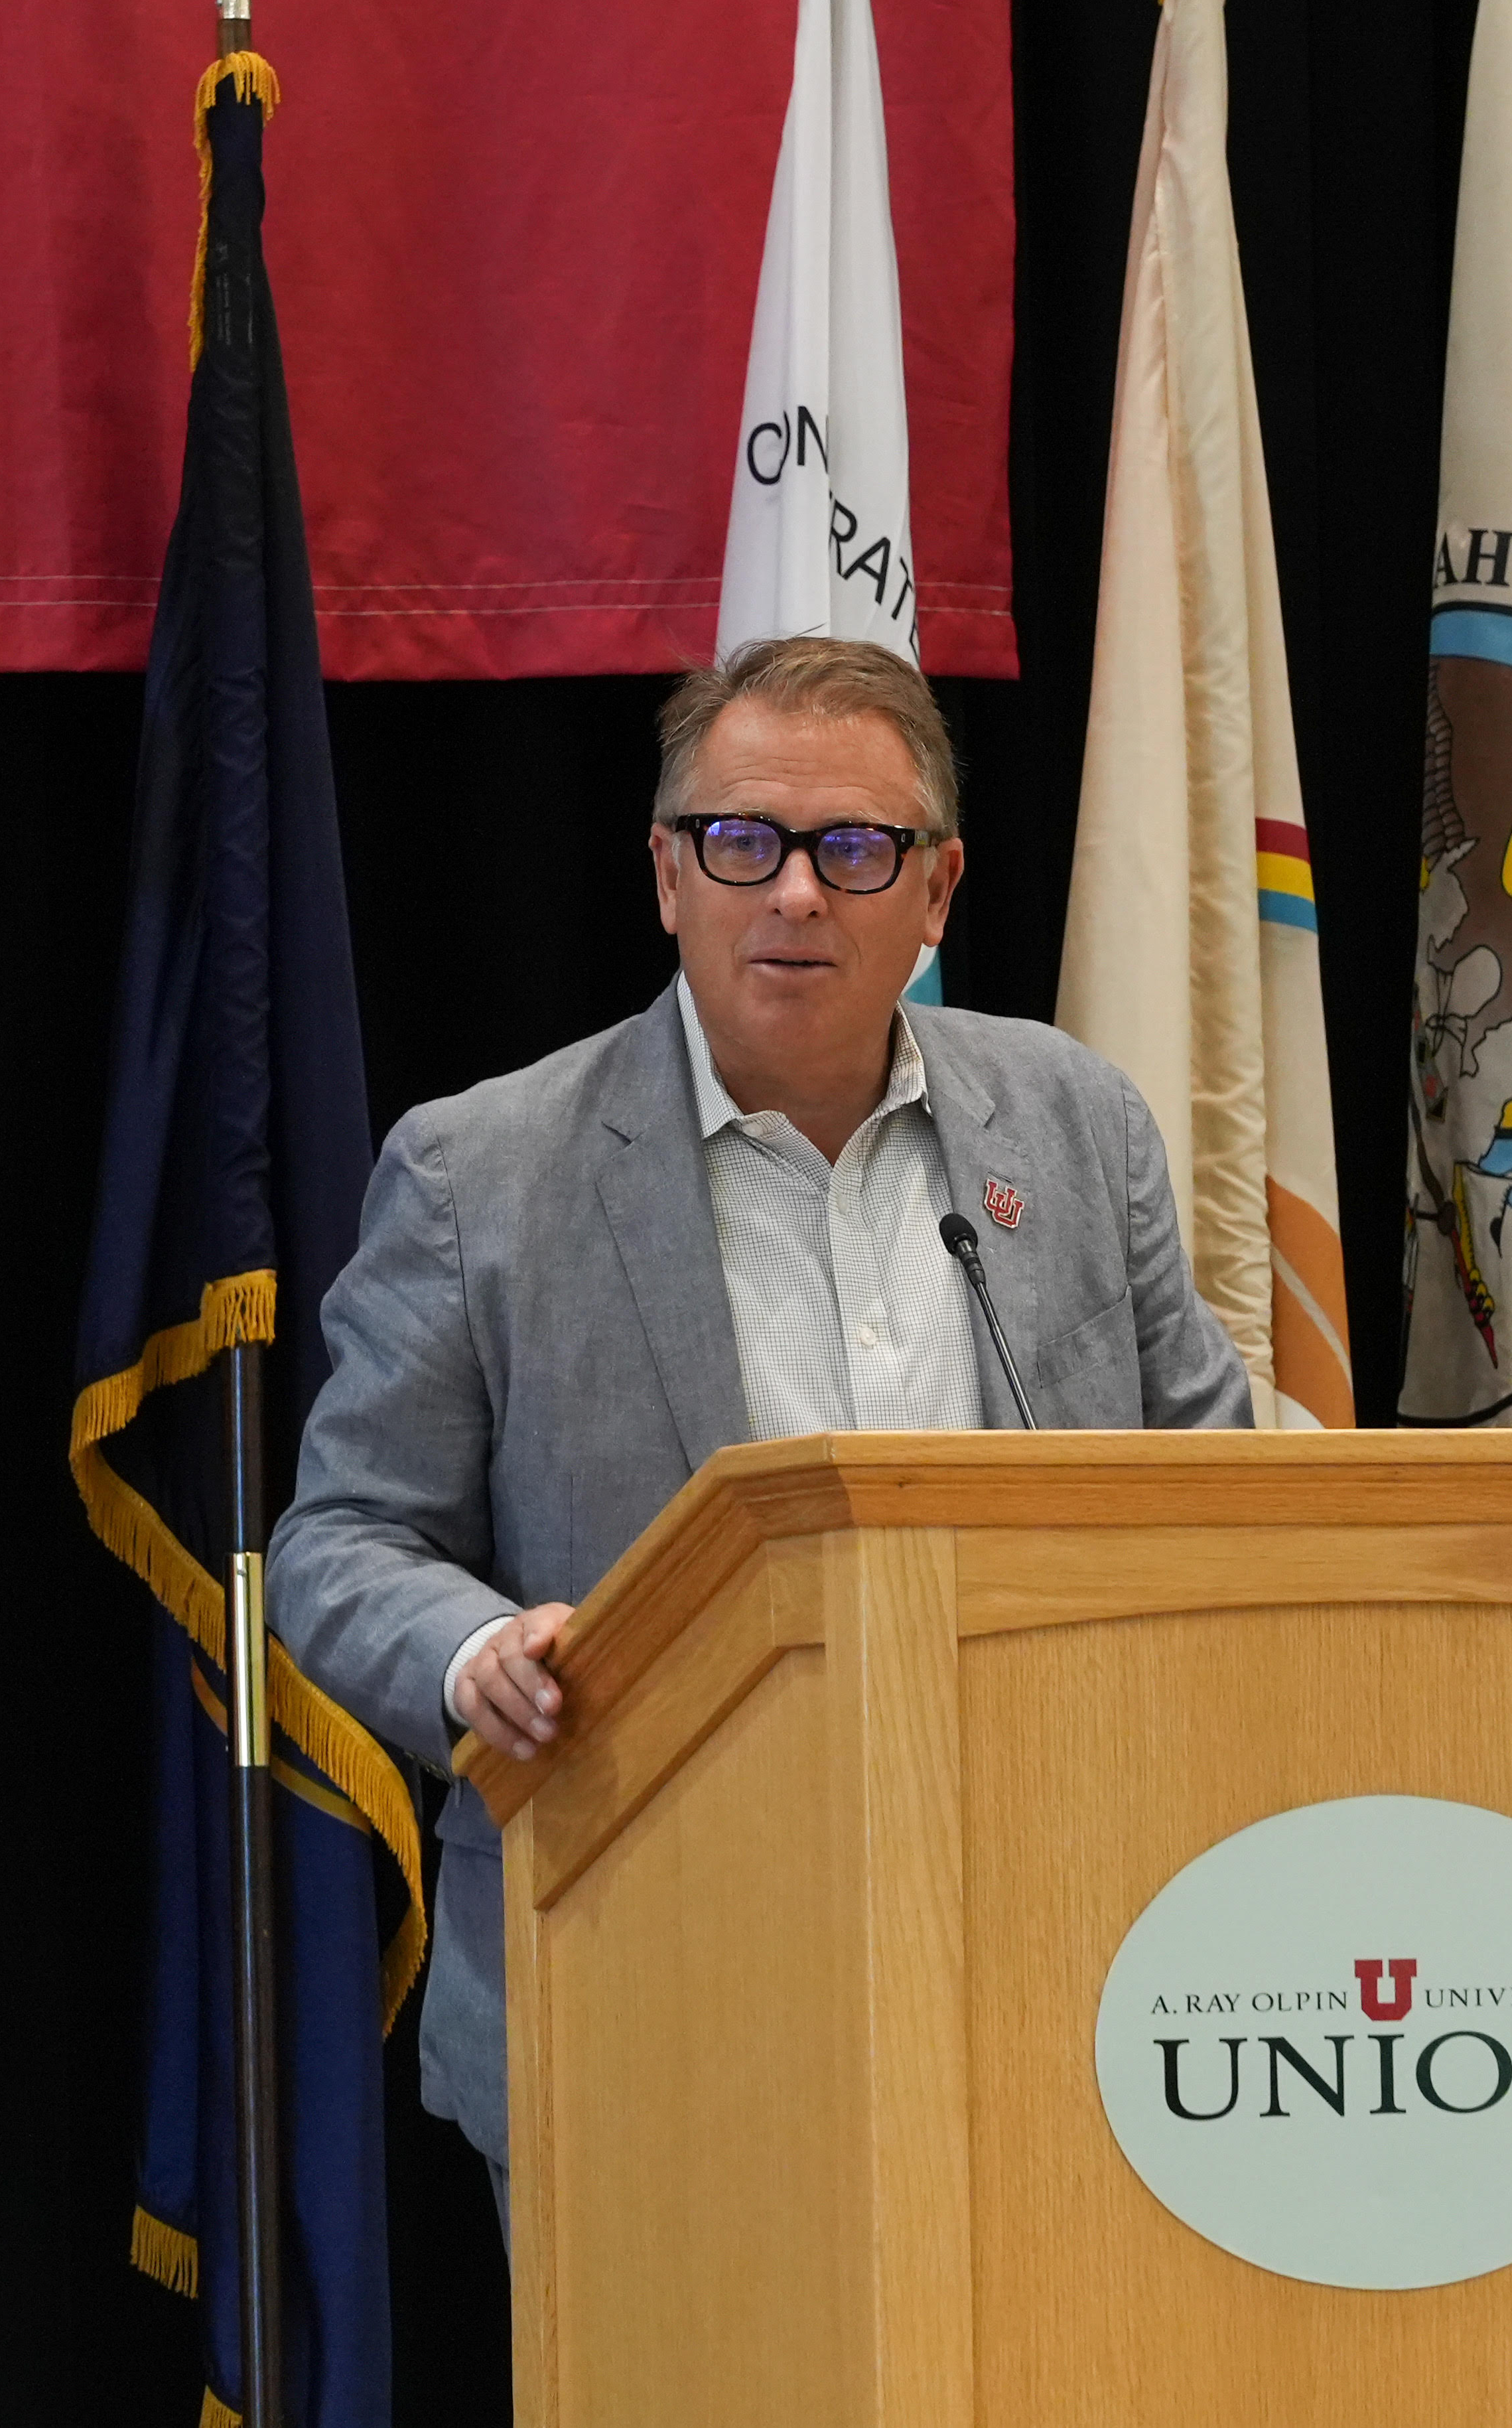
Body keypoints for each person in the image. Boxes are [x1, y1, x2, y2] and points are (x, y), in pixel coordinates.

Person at [266, 633, 1250, 2225]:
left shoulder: (1075, 1123)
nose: (795, 892)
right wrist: (477, 1652)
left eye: (855, 850)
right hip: (646, 1970)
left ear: (935, 892)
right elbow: (340, 1539)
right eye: (745, 842)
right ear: (668, 873)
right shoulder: (482, 1173)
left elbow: (1210, 1482)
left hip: (1056, 1953)